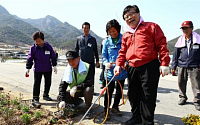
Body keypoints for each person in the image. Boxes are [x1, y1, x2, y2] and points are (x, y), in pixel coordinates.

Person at [114, 5, 170, 125]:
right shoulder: (126, 34)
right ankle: (136, 117)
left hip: (149, 66)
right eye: (126, 17)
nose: (129, 18)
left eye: (131, 14)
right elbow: (122, 51)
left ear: (139, 13)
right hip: (132, 67)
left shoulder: (151, 27)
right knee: (133, 95)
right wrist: (118, 64)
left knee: (148, 96)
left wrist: (165, 63)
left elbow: (162, 45)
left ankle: (147, 121)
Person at [171, 21, 200, 111]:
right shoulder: (180, 41)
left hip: (194, 65)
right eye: (183, 28)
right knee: (181, 82)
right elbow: (175, 55)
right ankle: (182, 97)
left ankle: (197, 101)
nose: (185, 30)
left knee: (196, 84)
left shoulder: (198, 40)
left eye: (187, 28)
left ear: (192, 28)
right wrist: (173, 66)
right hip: (182, 65)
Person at [102, 19, 127, 120]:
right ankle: (106, 110)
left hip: (122, 70)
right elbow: (104, 55)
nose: (112, 33)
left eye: (114, 31)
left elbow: (128, 53)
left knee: (119, 91)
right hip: (110, 71)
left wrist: (126, 62)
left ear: (118, 29)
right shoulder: (106, 41)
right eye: (110, 31)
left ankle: (115, 107)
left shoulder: (124, 39)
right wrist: (106, 63)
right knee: (108, 91)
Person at [58, 51, 94, 118]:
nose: (71, 63)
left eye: (73, 60)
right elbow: (62, 86)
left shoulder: (87, 67)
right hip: (73, 93)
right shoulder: (68, 70)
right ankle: (78, 102)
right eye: (69, 61)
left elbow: (90, 82)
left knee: (89, 89)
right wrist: (62, 100)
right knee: (60, 96)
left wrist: (77, 87)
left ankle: (87, 108)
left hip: (83, 90)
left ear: (79, 58)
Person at [26, 31, 57, 107]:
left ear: (43, 40)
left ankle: (46, 95)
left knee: (48, 82)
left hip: (47, 68)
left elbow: (53, 56)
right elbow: (30, 58)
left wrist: (54, 65)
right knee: (37, 84)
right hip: (38, 69)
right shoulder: (33, 48)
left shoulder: (48, 46)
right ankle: (35, 98)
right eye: (36, 41)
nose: (38, 43)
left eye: (39, 41)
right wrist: (28, 68)